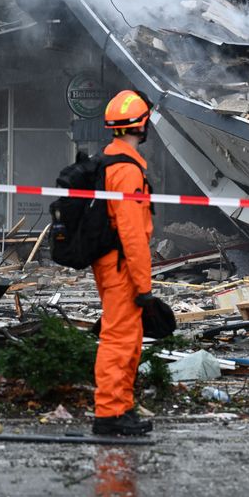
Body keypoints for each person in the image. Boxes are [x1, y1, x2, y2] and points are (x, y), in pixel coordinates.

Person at [92, 89, 156, 437]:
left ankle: (119, 408)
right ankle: (110, 414)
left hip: (110, 262)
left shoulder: (109, 161)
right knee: (120, 338)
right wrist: (144, 285)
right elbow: (133, 232)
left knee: (122, 335)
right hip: (122, 266)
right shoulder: (128, 171)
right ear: (141, 124)